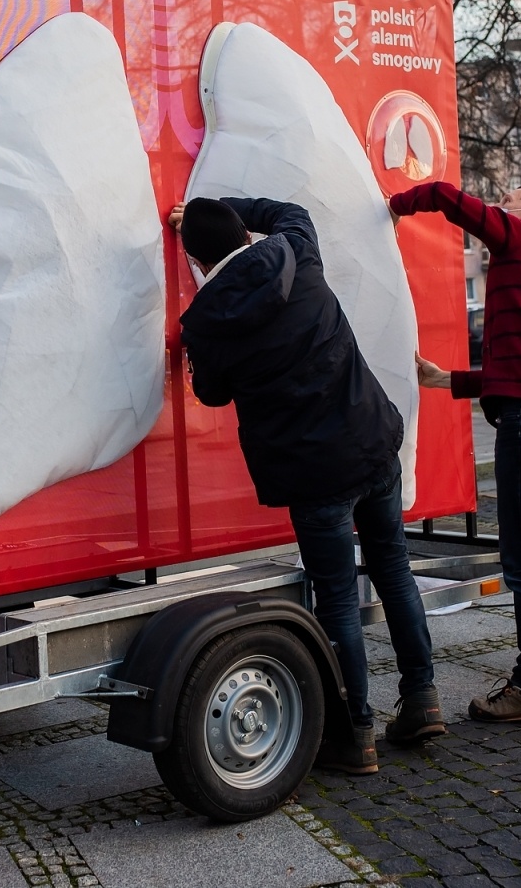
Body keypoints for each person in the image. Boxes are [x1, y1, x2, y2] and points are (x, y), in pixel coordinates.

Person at [170, 196, 443, 775]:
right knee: (393, 569)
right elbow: (288, 208)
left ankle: (356, 734)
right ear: (243, 232)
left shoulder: (205, 322)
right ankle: (422, 698)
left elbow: (213, 394)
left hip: (313, 474)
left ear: (194, 257)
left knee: (338, 598)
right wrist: (229, 210)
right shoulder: (296, 252)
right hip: (371, 442)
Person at [392, 182, 521, 723]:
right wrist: (450, 381)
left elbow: (449, 197)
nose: (496, 208)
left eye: (506, 200)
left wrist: (397, 204)